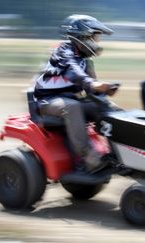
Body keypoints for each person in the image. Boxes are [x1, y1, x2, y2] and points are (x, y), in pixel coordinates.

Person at [32, 14, 117, 173]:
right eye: (94, 37)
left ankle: (120, 152)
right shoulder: (62, 51)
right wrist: (93, 84)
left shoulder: (86, 61)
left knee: (107, 107)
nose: (97, 41)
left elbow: (92, 90)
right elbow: (74, 71)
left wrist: (104, 93)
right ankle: (89, 159)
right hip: (47, 101)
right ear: (82, 36)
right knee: (73, 107)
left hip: (68, 100)